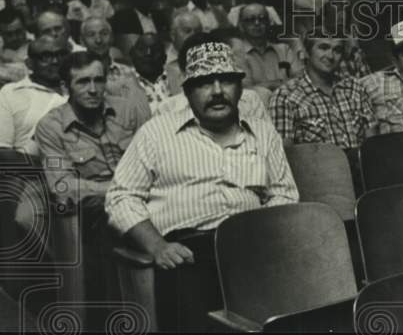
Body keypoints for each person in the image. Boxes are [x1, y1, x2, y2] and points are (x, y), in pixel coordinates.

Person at [105, 40, 298, 330]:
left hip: (252, 244)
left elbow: (284, 192)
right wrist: (157, 246)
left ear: (239, 88)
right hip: (189, 250)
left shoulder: (261, 131)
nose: (218, 92)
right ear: (187, 91)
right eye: (205, 83)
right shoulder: (157, 132)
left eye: (227, 82)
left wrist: (262, 238)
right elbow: (121, 197)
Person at [35, 52, 145, 316]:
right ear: (65, 87)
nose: (93, 89)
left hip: (144, 195)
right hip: (95, 210)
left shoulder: (127, 109)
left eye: (99, 80)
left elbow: (158, 155)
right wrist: (120, 192)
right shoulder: (51, 126)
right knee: (110, 226)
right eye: (83, 82)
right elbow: (63, 187)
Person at [269, 34, 372, 150]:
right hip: (315, 166)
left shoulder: (355, 88)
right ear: (307, 53)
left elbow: (372, 141)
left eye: (337, 50)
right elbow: (284, 153)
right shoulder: (285, 96)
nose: (330, 56)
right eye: (323, 48)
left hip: (360, 165)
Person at [155, 32, 269, 120]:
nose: (217, 91)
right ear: (185, 76)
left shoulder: (250, 101)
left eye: (224, 78)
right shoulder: (167, 109)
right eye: (204, 81)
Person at [0, 36, 71, 155]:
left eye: (61, 55)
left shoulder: (84, 90)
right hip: (26, 169)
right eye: (46, 57)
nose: (55, 61)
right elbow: (2, 155)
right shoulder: (10, 93)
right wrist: (55, 166)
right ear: (29, 64)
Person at [79, 17, 148, 111]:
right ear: (82, 41)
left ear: (112, 38)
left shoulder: (128, 72)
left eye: (104, 34)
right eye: (91, 35)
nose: (98, 40)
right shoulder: (76, 74)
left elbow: (140, 109)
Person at [237, 2, 303, 97]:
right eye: (251, 20)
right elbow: (246, 90)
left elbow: (300, 79)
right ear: (241, 26)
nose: (257, 23)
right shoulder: (237, 54)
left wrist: (266, 85)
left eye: (262, 19)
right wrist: (276, 84)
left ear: (268, 23)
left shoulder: (284, 49)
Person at [129, 33, 170, 114]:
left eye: (155, 49)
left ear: (164, 57)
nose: (148, 53)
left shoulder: (181, 78)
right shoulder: (121, 89)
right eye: (141, 49)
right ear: (132, 54)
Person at [164, 11, 203, 95]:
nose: (193, 35)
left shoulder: (208, 57)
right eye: (187, 31)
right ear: (173, 35)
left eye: (197, 31)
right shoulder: (162, 63)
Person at [0, 8, 30, 85]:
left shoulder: (38, 47)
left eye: (18, 32)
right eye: (9, 34)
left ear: (25, 28)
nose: (15, 37)